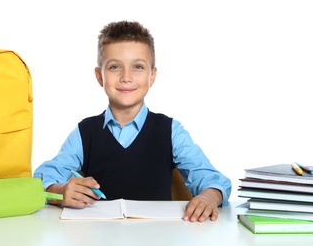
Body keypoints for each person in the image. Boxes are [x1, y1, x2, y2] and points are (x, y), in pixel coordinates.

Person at [33, 20, 232, 222]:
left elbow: (213, 179)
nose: (126, 77)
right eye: (114, 67)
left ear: (152, 76)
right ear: (99, 76)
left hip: (158, 236)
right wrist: (61, 191)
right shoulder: (85, 132)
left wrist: (209, 196)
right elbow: (43, 177)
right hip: (100, 237)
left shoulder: (171, 131)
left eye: (137, 66)